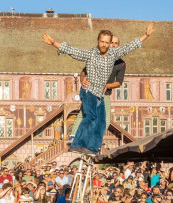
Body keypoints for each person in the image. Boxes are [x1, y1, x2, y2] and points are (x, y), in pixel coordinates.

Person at [42, 22, 155, 155]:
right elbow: (72, 51)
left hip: (100, 95)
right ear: (98, 41)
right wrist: (54, 43)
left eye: (107, 42)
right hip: (88, 91)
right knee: (90, 116)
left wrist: (146, 35)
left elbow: (130, 47)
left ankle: (93, 148)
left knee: (102, 122)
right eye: (102, 42)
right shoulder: (91, 54)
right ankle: (77, 144)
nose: (104, 45)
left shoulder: (113, 54)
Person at [70, 34, 127, 145]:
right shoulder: (97, 56)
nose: (114, 45)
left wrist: (107, 86)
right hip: (91, 90)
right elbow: (84, 71)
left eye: (116, 43)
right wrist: (82, 78)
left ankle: (94, 138)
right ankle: (73, 136)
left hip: (104, 93)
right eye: (112, 43)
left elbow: (119, 82)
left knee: (105, 119)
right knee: (84, 113)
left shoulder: (121, 63)